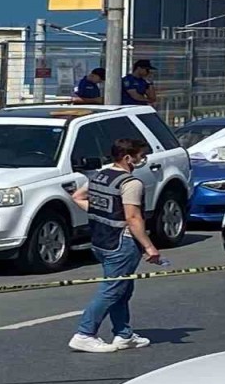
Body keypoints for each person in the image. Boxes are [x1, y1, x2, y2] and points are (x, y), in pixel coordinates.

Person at [68, 138, 159, 353]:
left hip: (101, 240)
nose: (143, 160)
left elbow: (78, 197)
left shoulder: (101, 175)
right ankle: (85, 334)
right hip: (122, 242)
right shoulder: (131, 183)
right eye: (140, 156)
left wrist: (100, 212)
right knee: (112, 289)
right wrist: (149, 247)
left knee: (122, 288)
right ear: (128, 158)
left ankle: (123, 334)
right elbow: (133, 217)